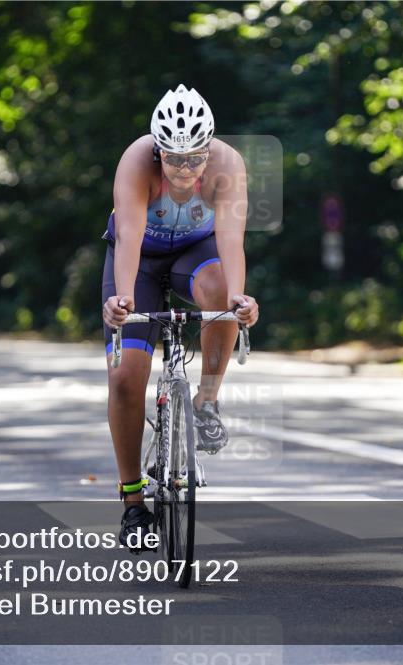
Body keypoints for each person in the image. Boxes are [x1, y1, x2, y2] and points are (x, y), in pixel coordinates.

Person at [100, 84, 259, 549]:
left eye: (195, 158)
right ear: (158, 151)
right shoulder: (136, 161)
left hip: (196, 253)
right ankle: (132, 502)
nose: (185, 169)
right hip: (140, 261)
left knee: (221, 294)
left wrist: (240, 298)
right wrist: (123, 301)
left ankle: (206, 401)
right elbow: (128, 237)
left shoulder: (228, 165)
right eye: (174, 159)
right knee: (126, 377)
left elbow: (232, 240)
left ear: (209, 150)